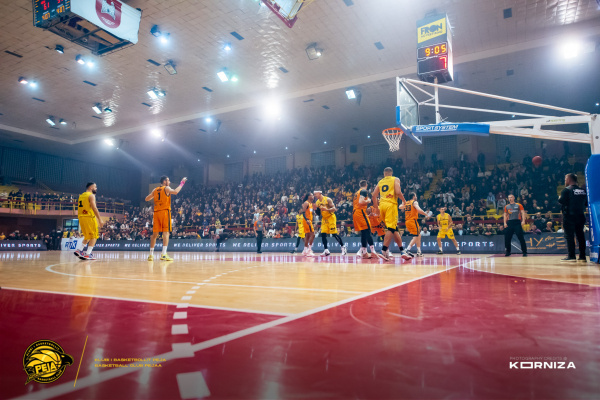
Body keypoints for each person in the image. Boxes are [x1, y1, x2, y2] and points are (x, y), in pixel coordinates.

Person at [372, 167, 411, 261]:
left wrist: (376, 208)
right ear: (391, 173)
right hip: (391, 205)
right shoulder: (395, 179)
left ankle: (402, 251)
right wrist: (404, 201)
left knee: (394, 229)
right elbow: (398, 192)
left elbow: (374, 195)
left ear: (384, 173)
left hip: (382, 206)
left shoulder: (380, 181)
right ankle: (383, 250)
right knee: (391, 228)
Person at [145, 176, 187, 261]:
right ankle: (163, 254)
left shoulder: (155, 189)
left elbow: (146, 199)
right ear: (164, 181)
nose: (169, 182)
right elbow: (175, 192)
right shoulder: (166, 188)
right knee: (166, 233)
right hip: (164, 212)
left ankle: (151, 255)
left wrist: (155, 197)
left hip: (156, 213)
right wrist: (182, 183)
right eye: (168, 180)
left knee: (154, 234)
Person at [558, 173, 588, 262]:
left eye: (565, 179)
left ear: (568, 179)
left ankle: (571, 256)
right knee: (580, 236)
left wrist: (559, 198)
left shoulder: (566, 190)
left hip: (569, 216)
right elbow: (586, 203)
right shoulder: (583, 190)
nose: (565, 181)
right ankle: (582, 256)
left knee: (569, 236)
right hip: (580, 215)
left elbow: (561, 201)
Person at [74, 182, 103, 260]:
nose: (96, 188)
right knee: (94, 236)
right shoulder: (91, 195)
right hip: (89, 217)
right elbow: (94, 208)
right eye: (95, 187)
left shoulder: (81, 195)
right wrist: (100, 219)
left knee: (88, 235)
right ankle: (88, 254)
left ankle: (79, 250)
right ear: (91, 188)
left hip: (81, 217)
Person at [314, 190, 347, 256]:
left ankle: (343, 247)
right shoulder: (317, 202)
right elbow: (318, 213)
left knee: (334, 234)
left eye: (316, 194)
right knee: (323, 234)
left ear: (320, 193)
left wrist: (327, 209)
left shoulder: (327, 199)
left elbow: (334, 209)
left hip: (331, 217)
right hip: (324, 219)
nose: (315, 195)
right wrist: (316, 211)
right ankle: (326, 250)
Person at [352, 180, 376, 259]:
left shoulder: (357, 192)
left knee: (363, 232)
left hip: (355, 213)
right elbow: (361, 202)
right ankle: (373, 251)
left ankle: (364, 252)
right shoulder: (364, 191)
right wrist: (368, 200)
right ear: (366, 185)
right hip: (360, 212)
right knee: (368, 231)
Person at [404, 192, 431, 257]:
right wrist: (426, 214)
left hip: (407, 221)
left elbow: (400, 207)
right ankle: (407, 250)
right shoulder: (414, 202)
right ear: (413, 196)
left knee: (418, 235)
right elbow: (419, 210)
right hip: (413, 221)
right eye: (415, 196)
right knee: (416, 236)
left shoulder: (406, 203)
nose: (416, 197)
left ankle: (419, 251)